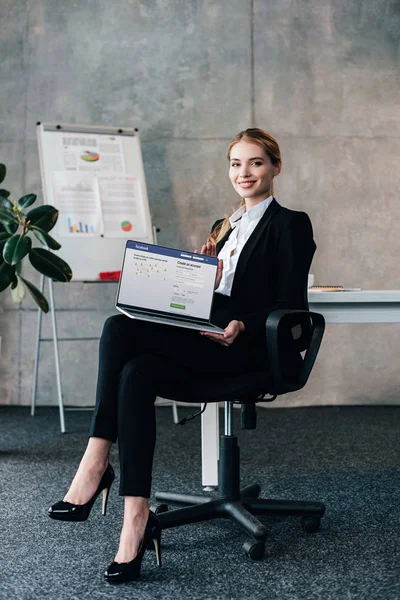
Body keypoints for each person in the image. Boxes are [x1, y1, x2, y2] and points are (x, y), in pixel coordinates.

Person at [48, 128, 316, 583]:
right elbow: (213, 301)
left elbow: (291, 304)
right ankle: (135, 518)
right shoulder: (223, 226)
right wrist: (198, 283)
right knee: (135, 372)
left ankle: (95, 465)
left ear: (275, 167)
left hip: (247, 351)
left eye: (255, 162)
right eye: (235, 163)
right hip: (205, 339)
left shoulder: (290, 223)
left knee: (117, 330)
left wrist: (243, 323)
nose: (244, 172)